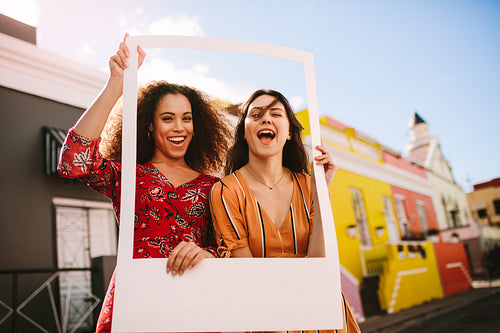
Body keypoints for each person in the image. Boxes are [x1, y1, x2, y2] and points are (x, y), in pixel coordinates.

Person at [58, 35, 230, 332]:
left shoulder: (215, 187)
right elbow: (73, 162)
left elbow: (232, 248)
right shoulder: (127, 176)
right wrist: (116, 84)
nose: (179, 127)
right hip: (134, 304)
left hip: (197, 306)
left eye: (186, 118)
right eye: (168, 118)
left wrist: (208, 254)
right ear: (150, 125)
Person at [209, 89, 360, 332]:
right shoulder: (226, 191)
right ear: (244, 133)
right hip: (266, 320)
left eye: (275, 113)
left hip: (322, 315)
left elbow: (319, 262)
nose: (266, 119)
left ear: (289, 132)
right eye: (256, 114)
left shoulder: (310, 185)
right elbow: (246, 275)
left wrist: (321, 190)